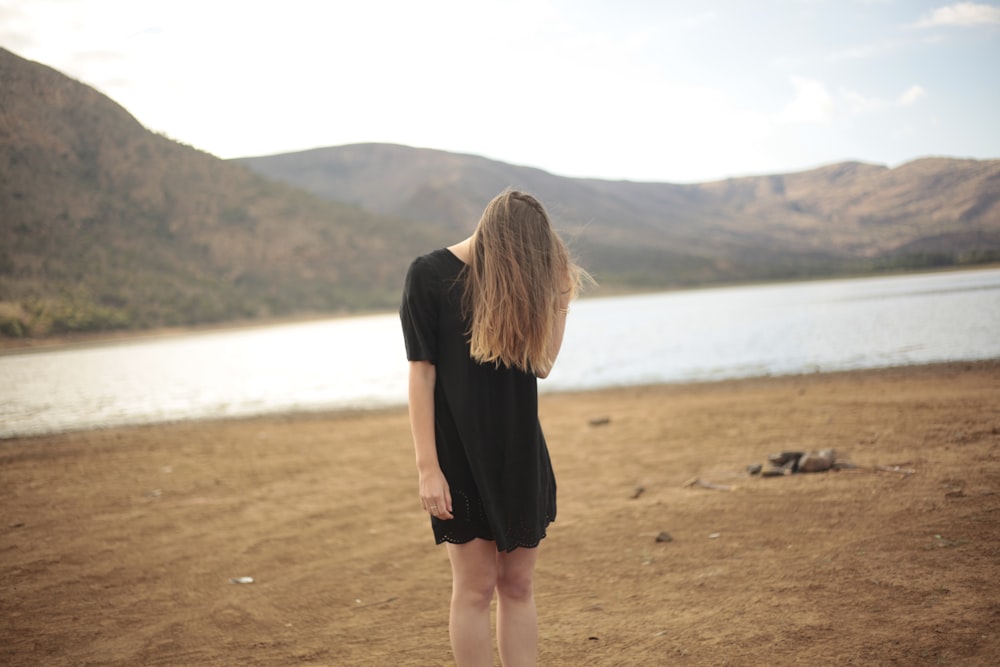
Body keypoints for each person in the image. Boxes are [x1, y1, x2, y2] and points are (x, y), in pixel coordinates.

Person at [400, 189, 587, 666]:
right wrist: (427, 469)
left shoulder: (518, 282)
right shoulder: (428, 276)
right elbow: (421, 374)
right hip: (458, 456)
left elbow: (542, 364)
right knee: (475, 588)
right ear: (499, 243)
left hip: (520, 452)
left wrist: (561, 296)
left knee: (518, 584)